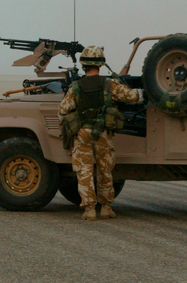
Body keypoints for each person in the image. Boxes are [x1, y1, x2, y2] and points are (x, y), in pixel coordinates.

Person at [58, 46, 144, 221]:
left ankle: (89, 210)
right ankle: (106, 208)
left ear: (83, 65)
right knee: (105, 170)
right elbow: (134, 97)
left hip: (82, 133)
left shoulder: (75, 87)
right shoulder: (109, 85)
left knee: (84, 171)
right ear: (101, 64)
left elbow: (62, 110)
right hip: (103, 133)